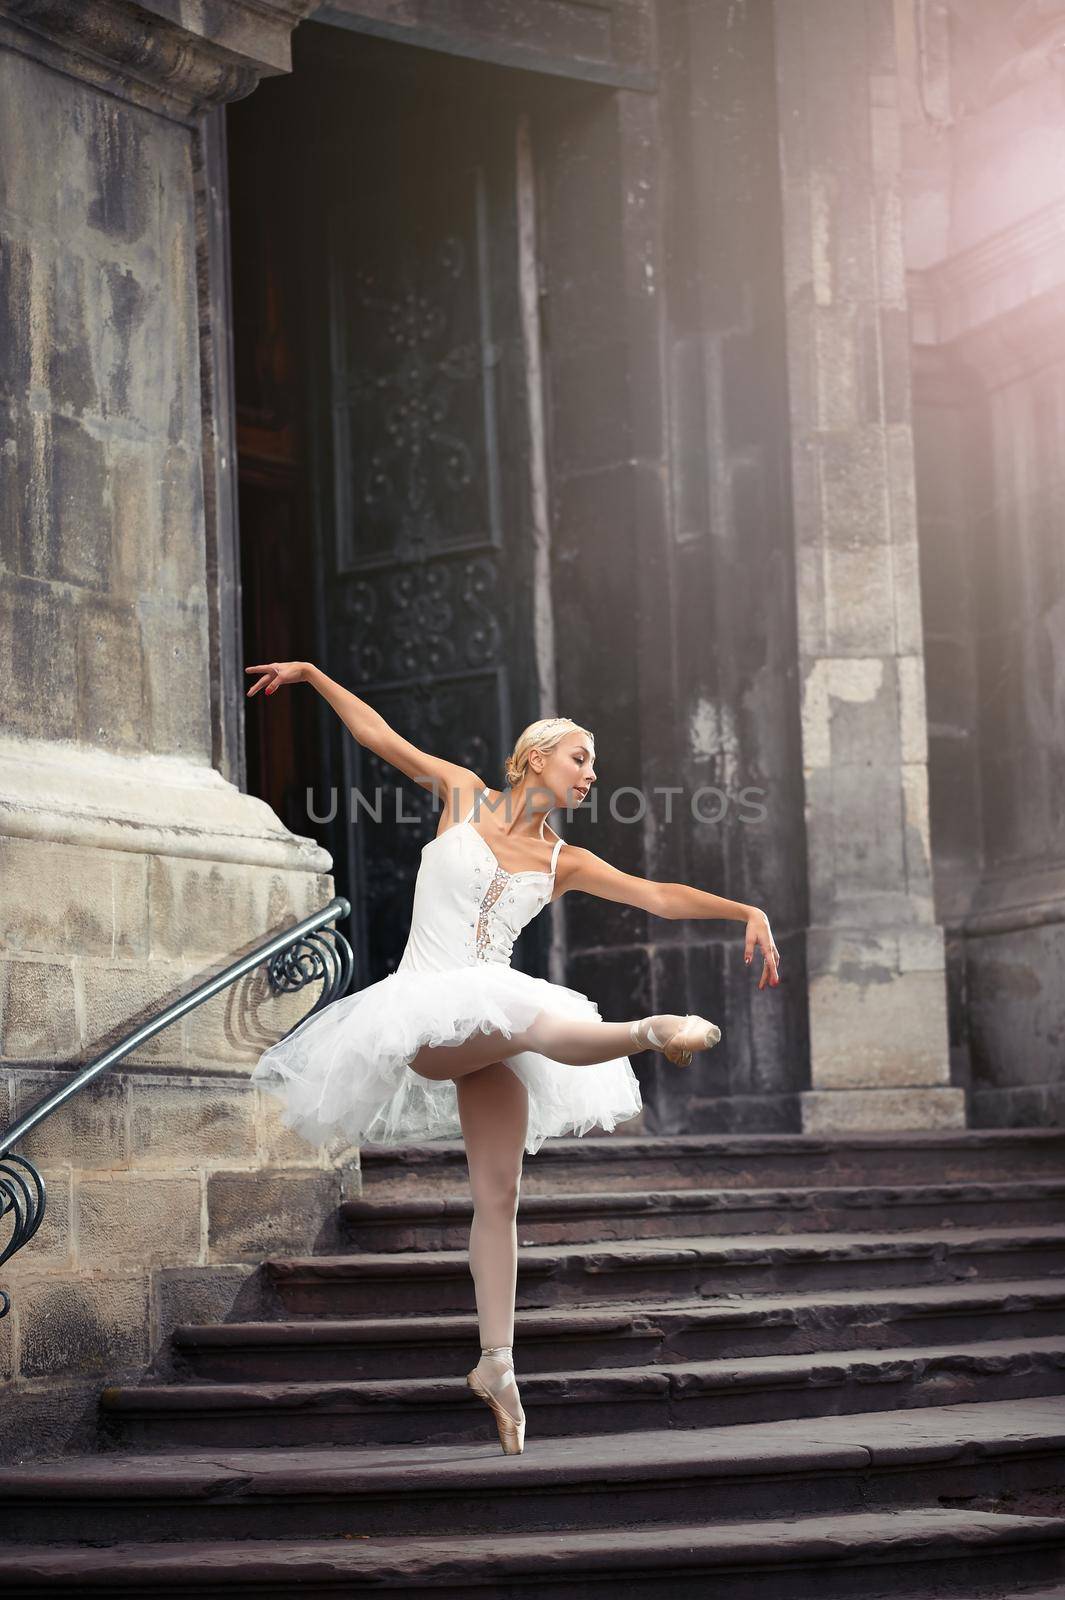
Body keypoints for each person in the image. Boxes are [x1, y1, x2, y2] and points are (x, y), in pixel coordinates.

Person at [245, 660, 781, 1455]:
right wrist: (314, 675)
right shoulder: (462, 795)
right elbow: (376, 735)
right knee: (533, 1016)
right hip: (426, 1013)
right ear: (537, 757)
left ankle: (496, 1362)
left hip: (493, 1026)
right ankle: (648, 1030)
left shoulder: (565, 862)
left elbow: (659, 895)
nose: (591, 776)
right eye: (580, 760)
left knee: (499, 1195)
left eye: (593, 766)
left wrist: (748, 908)